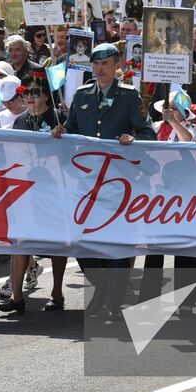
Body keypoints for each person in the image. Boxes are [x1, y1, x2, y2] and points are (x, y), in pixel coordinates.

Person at [52, 44, 154, 314]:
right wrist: (62, 130)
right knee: (81, 239)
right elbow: (73, 129)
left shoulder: (129, 96)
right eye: (95, 64)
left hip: (119, 182)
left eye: (105, 64)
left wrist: (132, 139)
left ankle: (114, 301)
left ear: (116, 66)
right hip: (86, 182)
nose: (99, 69)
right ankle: (101, 285)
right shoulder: (83, 94)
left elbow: (148, 134)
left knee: (117, 241)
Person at [3, 74, 62, 313]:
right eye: (25, 93)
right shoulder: (20, 121)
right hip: (26, 189)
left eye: (35, 92)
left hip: (55, 191)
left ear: (46, 95)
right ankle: (16, 297)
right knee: (20, 240)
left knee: (58, 243)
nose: (29, 97)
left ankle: (57, 293)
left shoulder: (59, 118)